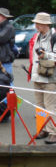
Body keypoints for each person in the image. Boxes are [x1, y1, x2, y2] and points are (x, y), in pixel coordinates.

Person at [29, 12, 56, 144]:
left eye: (38, 23)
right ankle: (43, 129)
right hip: (38, 77)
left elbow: (54, 56)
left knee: (50, 107)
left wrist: (45, 55)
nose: (35, 25)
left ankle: (53, 132)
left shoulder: (54, 37)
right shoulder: (38, 37)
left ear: (45, 24)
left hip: (50, 78)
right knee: (40, 107)